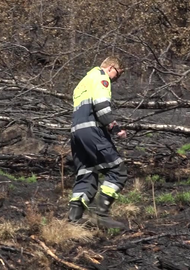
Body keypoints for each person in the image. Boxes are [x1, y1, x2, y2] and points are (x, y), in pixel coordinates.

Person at [68, 56, 128, 227]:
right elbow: (101, 107)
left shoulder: (83, 82)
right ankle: (101, 214)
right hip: (92, 131)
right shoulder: (102, 78)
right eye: (118, 74)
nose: (117, 79)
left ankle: (74, 221)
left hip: (76, 134)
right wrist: (115, 129)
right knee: (118, 169)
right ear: (110, 68)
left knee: (86, 173)